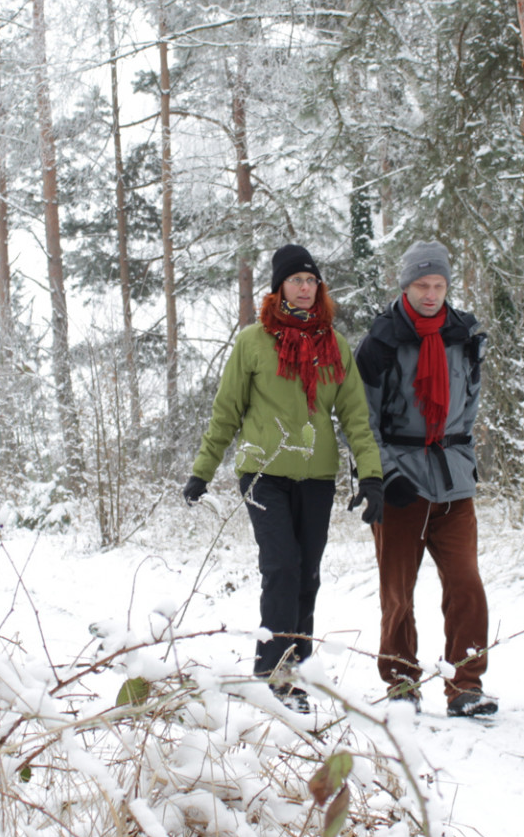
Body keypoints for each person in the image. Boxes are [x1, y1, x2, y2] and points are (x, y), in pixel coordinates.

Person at [183, 244, 385, 712]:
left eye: (312, 280)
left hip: (316, 477)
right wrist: (202, 471)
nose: (305, 287)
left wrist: (370, 477)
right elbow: (227, 411)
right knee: (281, 567)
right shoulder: (253, 342)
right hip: (262, 473)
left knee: (307, 575)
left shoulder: (333, 345)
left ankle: (296, 665)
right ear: (279, 288)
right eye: (296, 280)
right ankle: (274, 671)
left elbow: (356, 416)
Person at [355, 240, 498, 718]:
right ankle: (400, 682)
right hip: (401, 485)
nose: (432, 294)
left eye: (439, 285)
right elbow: (361, 420)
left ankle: (467, 685)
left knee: (467, 585)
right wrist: (382, 476)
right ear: (405, 285)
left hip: (454, 481)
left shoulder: (465, 334)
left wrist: (466, 459)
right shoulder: (381, 342)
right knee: (398, 593)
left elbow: (469, 409)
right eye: (422, 285)